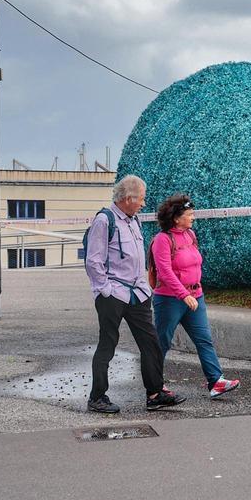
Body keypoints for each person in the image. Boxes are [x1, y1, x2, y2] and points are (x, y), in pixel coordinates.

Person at [85, 175, 185, 413]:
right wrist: (105, 290)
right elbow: (93, 261)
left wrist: (143, 285)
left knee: (151, 343)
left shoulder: (134, 220)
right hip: (113, 294)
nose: (143, 203)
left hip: (137, 294)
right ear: (128, 198)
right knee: (107, 344)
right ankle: (97, 397)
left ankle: (155, 393)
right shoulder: (104, 220)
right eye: (141, 198)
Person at [150, 193, 240, 399]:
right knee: (162, 343)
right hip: (170, 300)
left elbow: (194, 263)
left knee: (204, 340)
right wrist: (183, 295)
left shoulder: (190, 235)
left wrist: (194, 291)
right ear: (176, 218)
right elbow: (165, 272)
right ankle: (154, 386)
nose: (193, 217)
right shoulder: (162, 240)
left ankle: (216, 381)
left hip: (195, 296)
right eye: (189, 214)